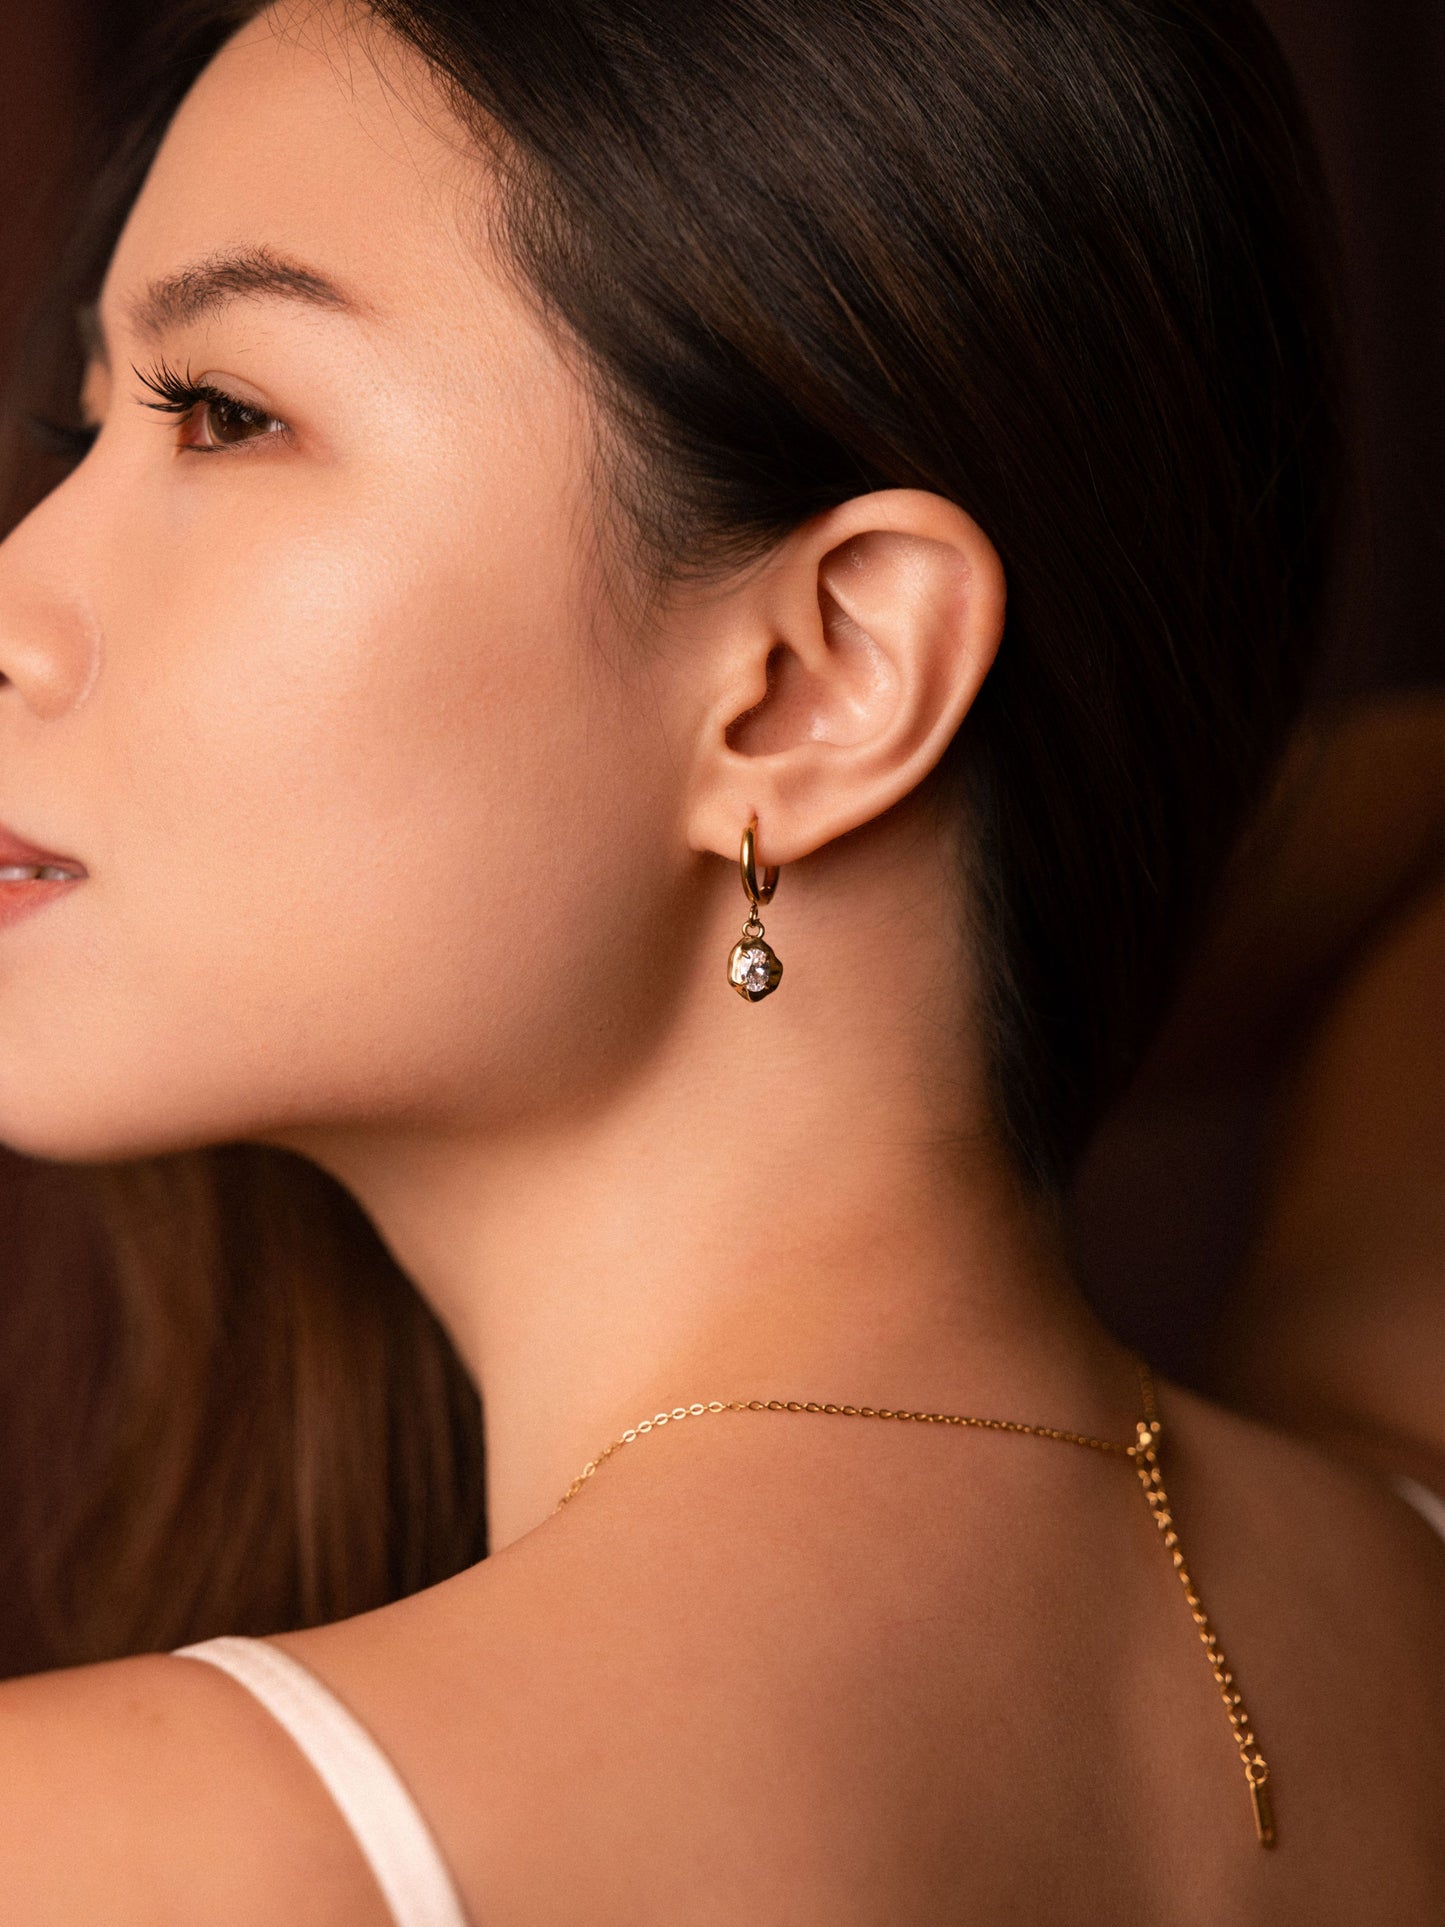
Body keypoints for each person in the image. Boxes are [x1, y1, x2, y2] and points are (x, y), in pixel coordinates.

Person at [0, 2, 1439, 1920]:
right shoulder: (1399, 1542)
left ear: (822, 671)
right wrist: (1004, 978)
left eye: (227, 415)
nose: (17, 597)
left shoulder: (129, 1852)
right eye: (91, 423)